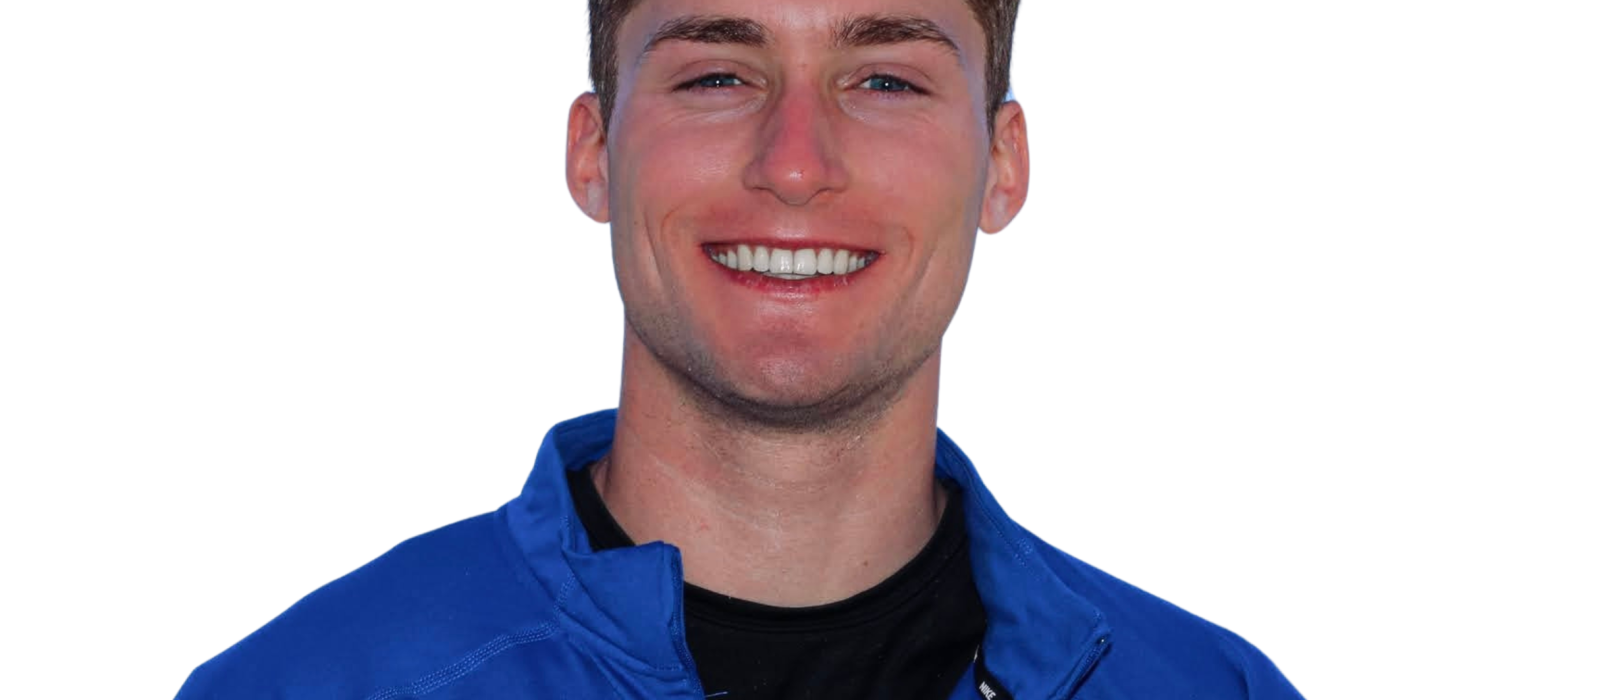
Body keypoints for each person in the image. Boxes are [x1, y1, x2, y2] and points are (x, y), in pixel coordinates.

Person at [176, 0, 1303, 697]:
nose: (796, 161)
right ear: (594, 152)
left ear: (1002, 164)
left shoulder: (1214, 690)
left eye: (885, 78)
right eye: (717, 74)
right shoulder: (309, 687)